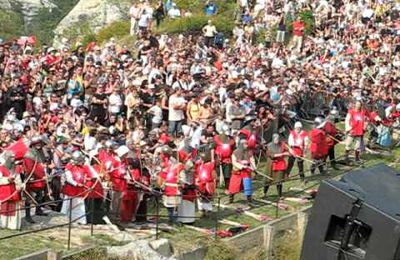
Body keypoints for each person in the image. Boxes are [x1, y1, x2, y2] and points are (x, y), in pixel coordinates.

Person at [61, 151, 88, 225]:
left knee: (79, 205)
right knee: (67, 205)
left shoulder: (81, 167)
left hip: (80, 190)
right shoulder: (69, 166)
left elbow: (84, 175)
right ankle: (64, 219)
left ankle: (80, 220)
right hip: (71, 189)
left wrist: (85, 181)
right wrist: (76, 184)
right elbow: (69, 178)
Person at [229, 139, 255, 204]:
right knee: (233, 186)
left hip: (246, 171)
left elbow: (252, 160)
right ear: (241, 144)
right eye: (245, 144)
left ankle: (249, 200)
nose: (246, 145)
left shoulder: (249, 152)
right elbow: (234, 162)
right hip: (237, 171)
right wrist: (241, 166)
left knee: (247, 186)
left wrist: (253, 167)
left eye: (247, 144)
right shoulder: (235, 152)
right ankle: (231, 198)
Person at [0, 153, 23, 230]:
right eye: (11, 157)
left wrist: (20, 186)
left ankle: (12, 225)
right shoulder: (1, 168)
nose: (13, 159)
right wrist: (7, 180)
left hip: (13, 192)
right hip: (3, 192)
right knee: (4, 208)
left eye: (14, 157)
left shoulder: (15, 169)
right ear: (7, 158)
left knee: (13, 209)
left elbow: (18, 180)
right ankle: (2, 224)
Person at [264, 134, 289, 199]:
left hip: (280, 164)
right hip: (271, 165)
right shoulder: (269, 146)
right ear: (273, 139)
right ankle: (265, 193)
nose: (277, 141)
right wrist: (282, 154)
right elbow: (272, 155)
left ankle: (280, 195)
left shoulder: (281, 144)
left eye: (278, 139)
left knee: (279, 180)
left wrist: (289, 152)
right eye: (275, 139)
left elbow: (288, 149)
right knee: (268, 180)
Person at [214, 125, 234, 192]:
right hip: (218, 157)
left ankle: (227, 188)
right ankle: (214, 187)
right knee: (216, 174)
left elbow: (233, 148)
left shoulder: (231, 139)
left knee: (227, 175)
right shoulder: (217, 138)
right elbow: (213, 148)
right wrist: (216, 157)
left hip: (227, 159)